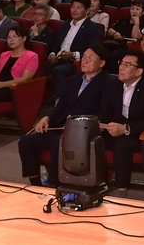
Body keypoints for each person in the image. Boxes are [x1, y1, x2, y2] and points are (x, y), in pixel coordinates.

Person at [18, 44, 112, 186]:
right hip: (62, 126)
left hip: (83, 132)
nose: (85, 61)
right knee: (26, 142)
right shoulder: (75, 79)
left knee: (58, 142)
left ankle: (54, 185)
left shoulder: (108, 82)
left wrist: (80, 126)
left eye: (90, 58)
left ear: (102, 63)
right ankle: (36, 184)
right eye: (84, 57)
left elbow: (105, 113)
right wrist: (47, 118)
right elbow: (62, 106)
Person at [99, 50, 144, 193]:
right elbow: (106, 112)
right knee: (95, 140)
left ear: (139, 71)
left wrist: (126, 128)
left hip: (137, 134)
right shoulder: (113, 85)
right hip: (116, 130)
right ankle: (98, 185)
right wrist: (100, 125)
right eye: (121, 63)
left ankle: (121, 189)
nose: (121, 67)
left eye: (127, 65)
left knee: (122, 146)